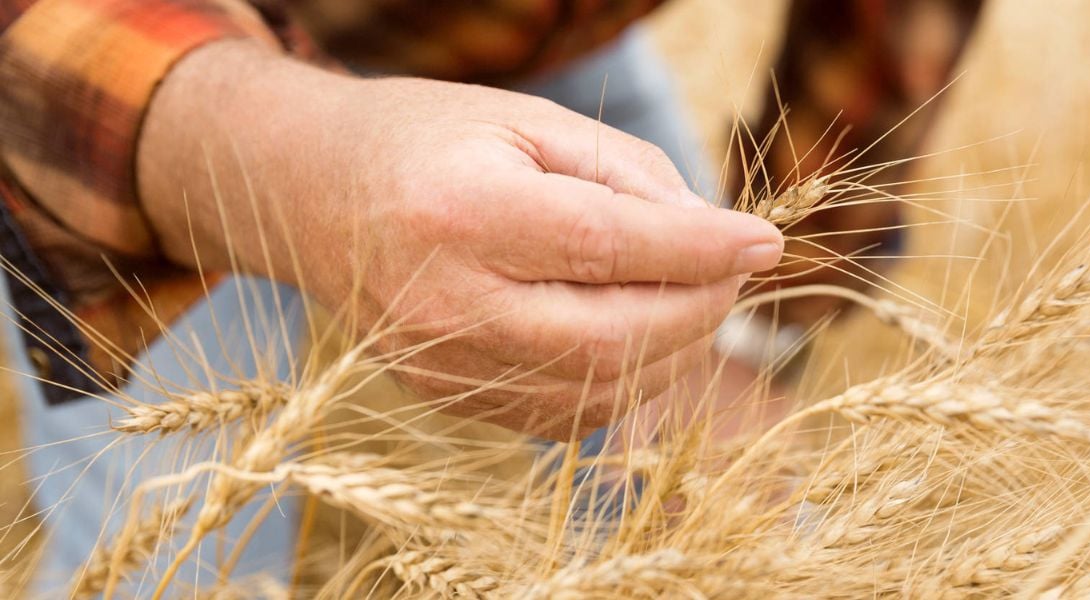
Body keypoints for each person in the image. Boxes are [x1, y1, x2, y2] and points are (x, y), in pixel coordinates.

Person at [0, 0, 983, 592]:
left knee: (736, 512)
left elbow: (884, 34)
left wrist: (764, 330)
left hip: (523, 36)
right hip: (153, 45)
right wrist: (278, 161)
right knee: (180, 561)